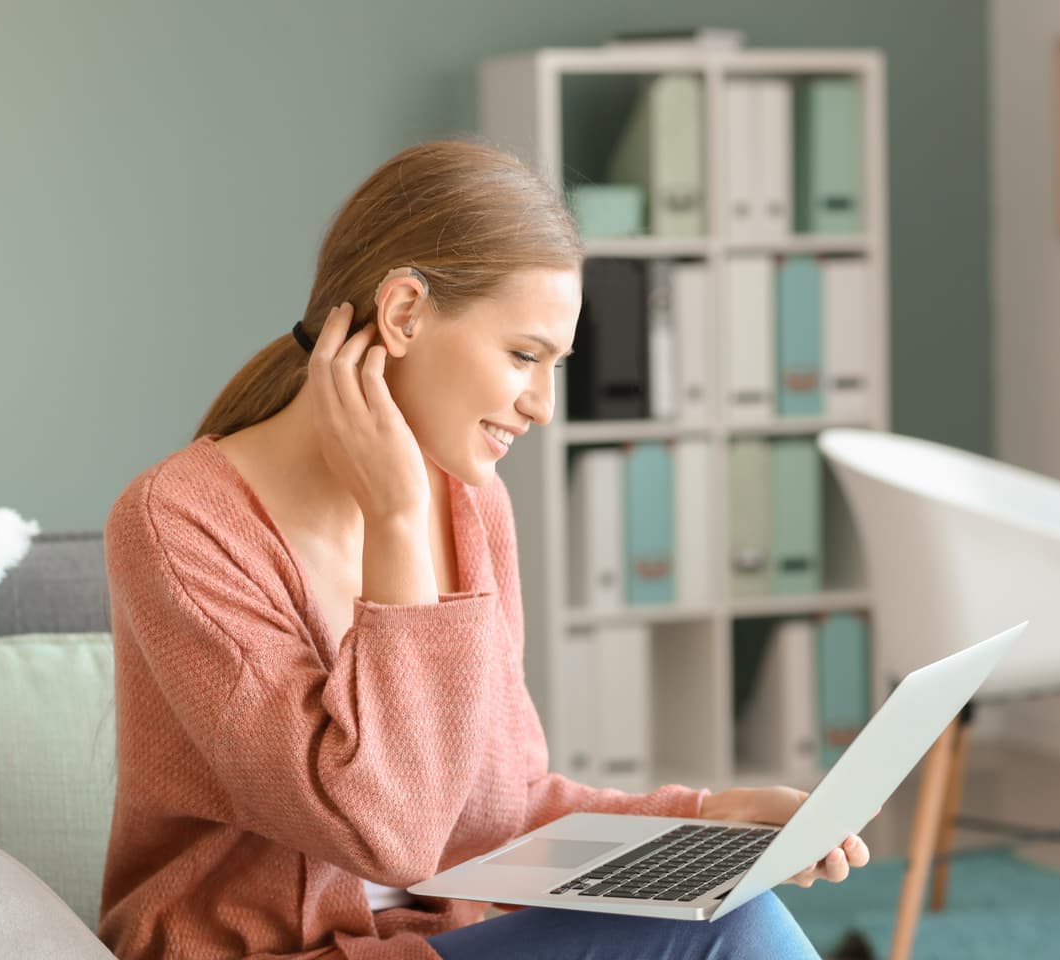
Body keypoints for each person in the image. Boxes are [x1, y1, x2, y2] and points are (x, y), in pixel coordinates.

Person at [97, 138, 869, 960]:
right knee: (736, 933)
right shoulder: (178, 524)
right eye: (523, 355)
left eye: (556, 366)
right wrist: (394, 521)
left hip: (442, 943)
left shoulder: (472, 507)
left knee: (729, 906)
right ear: (402, 314)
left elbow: (497, 810)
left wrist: (703, 815)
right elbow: (390, 832)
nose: (540, 405)